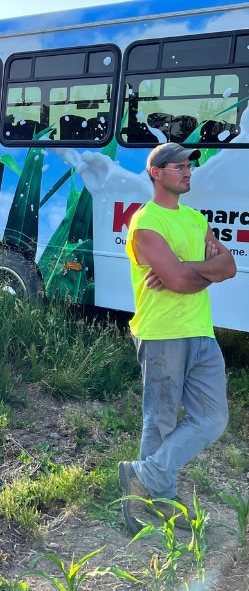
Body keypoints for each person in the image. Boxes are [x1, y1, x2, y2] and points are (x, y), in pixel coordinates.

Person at [119, 142, 236, 534]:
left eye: (189, 166)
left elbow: (230, 266)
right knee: (161, 422)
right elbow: (182, 280)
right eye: (179, 166)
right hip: (162, 332)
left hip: (201, 331)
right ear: (156, 173)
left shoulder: (196, 219)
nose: (188, 172)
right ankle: (157, 501)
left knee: (213, 418)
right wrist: (201, 269)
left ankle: (142, 476)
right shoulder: (145, 222)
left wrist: (186, 268)